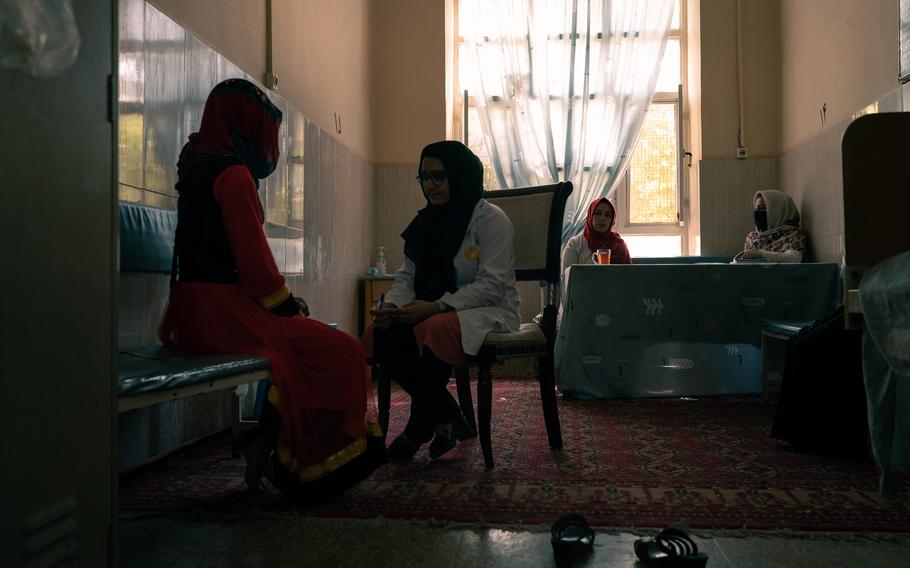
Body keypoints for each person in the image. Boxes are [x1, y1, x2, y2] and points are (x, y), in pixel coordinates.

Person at [158, 78, 383, 503]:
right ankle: (311, 465)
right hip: (220, 315)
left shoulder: (198, 164)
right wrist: (286, 309)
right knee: (343, 350)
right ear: (246, 125)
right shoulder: (233, 175)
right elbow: (256, 268)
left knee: (298, 349)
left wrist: (279, 307)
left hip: (191, 312)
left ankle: (265, 445)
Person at [363, 140, 520, 462]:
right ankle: (449, 415)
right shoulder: (426, 222)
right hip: (434, 307)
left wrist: (436, 306)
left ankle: (419, 427)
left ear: (460, 176)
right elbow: (408, 278)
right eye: (424, 178)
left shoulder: (492, 220)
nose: (430, 186)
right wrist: (391, 307)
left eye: (438, 177)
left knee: (433, 328)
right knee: (380, 333)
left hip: (489, 309)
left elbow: (492, 285)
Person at [561, 196, 631, 278]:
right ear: (590, 216)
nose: (602, 218)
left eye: (607, 215)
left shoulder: (619, 245)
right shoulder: (575, 244)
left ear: (612, 220)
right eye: (598, 213)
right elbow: (566, 280)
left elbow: (628, 278)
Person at [737, 190, 806, 263]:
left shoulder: (794, 235)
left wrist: (761, 254)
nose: (757, 212)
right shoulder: (752, 237)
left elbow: (795, 258)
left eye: (762, 208)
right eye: (755, 209)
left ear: (778, 211)